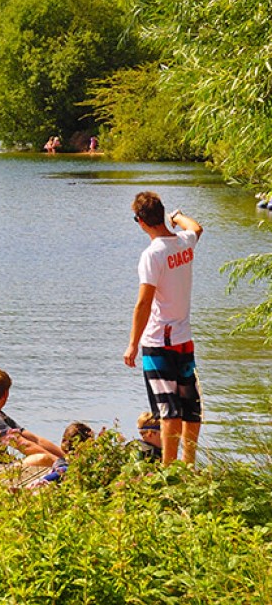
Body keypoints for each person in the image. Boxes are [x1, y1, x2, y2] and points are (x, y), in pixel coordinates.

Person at [124, 191, 204, 465]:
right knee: (190, 406)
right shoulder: (184, 242)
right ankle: (188, 466)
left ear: (140, 221)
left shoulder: (152, 254)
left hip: (159, 342)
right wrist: (178, 217)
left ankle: (169, 471)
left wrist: (133, 344)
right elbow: (195, 228)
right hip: (184, 339)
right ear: (161, 214)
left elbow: (144, 303)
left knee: (168, 409)